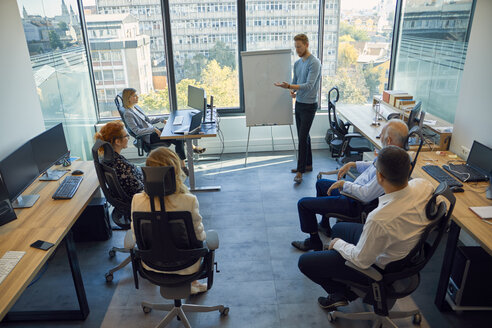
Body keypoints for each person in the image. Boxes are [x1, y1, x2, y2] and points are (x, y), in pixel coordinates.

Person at [298, 146, 434, 311]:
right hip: (402, 251)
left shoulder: (380, 218)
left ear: (379, 176)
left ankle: (343, 293)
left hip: (379, 266)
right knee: (340, 228)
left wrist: (338, 244)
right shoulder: (424, 185)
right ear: (409, 169)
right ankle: (344, 287)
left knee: (305, 263)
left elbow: (362, 260)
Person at [292, 119, 409, 251]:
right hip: (353, 192)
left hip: (354, 202)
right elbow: (373, 165)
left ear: (388, 140)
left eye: (381, 134)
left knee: (303, 204)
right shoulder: (392, 155)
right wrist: (353, 164)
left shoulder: (389, 167)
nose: (379, 136)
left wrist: (344, 184)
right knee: (321, 184)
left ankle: (314, 241)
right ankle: (324, 225)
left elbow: (366, 195)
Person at [131, 147, 207, 295]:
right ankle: (193, 282)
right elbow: (200, 237)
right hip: (187, 265)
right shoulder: (188, 201)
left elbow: (135, 238)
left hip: (151, 265)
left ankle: (193, 284)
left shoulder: (137, 200)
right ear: (175, 170)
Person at [121, 88, 205, 171]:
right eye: (134, 96)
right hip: (148, 137)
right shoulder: (128, 114)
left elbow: (148, 120)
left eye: (137, 95)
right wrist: (154, 130)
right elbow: (136, 131)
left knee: (178, 133)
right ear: (128, 98)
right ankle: (184, 164)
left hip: (153, 131)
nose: (137, 97)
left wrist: (161, 119)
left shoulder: (136, 108)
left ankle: (187, 158)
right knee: (179, 138)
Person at [274, 33, 321, 184]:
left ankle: (300, 171)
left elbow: (309, 85)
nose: (297, 50)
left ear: (307, 45)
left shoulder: (314, 63)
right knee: (304, 135)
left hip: (309, 105)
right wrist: (291, 90)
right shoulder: (298, 63)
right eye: (295, 47)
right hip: (299, 104)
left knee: (301, 137)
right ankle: (308, 165)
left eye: (299, 47)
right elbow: (296, 81)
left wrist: (289, 86)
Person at [94, 121, 144, 198]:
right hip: (140, 199)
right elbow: (141, 191)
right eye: (127, 136)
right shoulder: (124, 167)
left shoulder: (106, 159)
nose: (128, 138)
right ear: (117, 141)